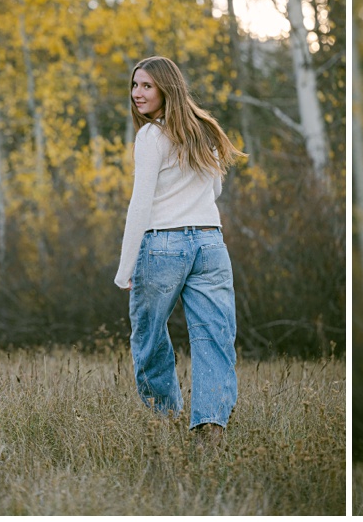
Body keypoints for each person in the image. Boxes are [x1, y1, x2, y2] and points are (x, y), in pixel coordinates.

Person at [114, 56, 245, 441]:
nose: (137, 93)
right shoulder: (205, 130)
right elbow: (214, 189)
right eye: (135, 85)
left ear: (166, 88)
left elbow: (141, 203)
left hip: (163, 244)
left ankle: (166, 419)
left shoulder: (150, 137)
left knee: (149, 336)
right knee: (214, 336)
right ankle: (211, 426)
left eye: (147, 86)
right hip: (210, 243)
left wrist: (125, 267)